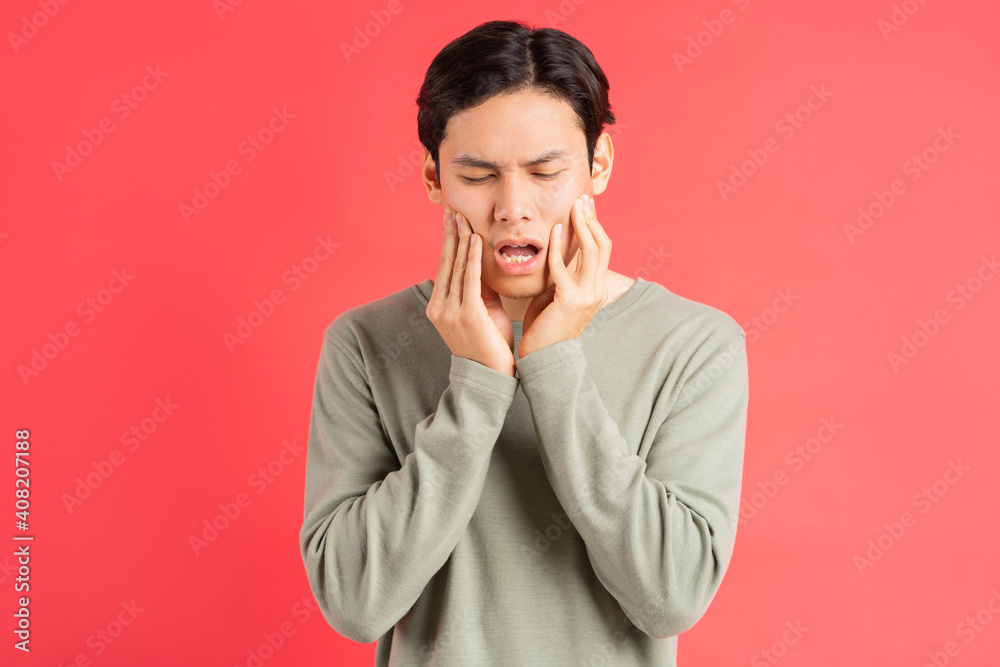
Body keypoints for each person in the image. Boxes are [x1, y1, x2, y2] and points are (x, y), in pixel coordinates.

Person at [299, 19, 749, 665]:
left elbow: (671, 597)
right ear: (433, 178)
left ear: (598, 165)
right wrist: (476, 385)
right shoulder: (366, 342)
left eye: (545, 171)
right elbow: (354, 603)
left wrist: (554, 365)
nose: (513, 206)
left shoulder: (694, 344)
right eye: (479, 175)